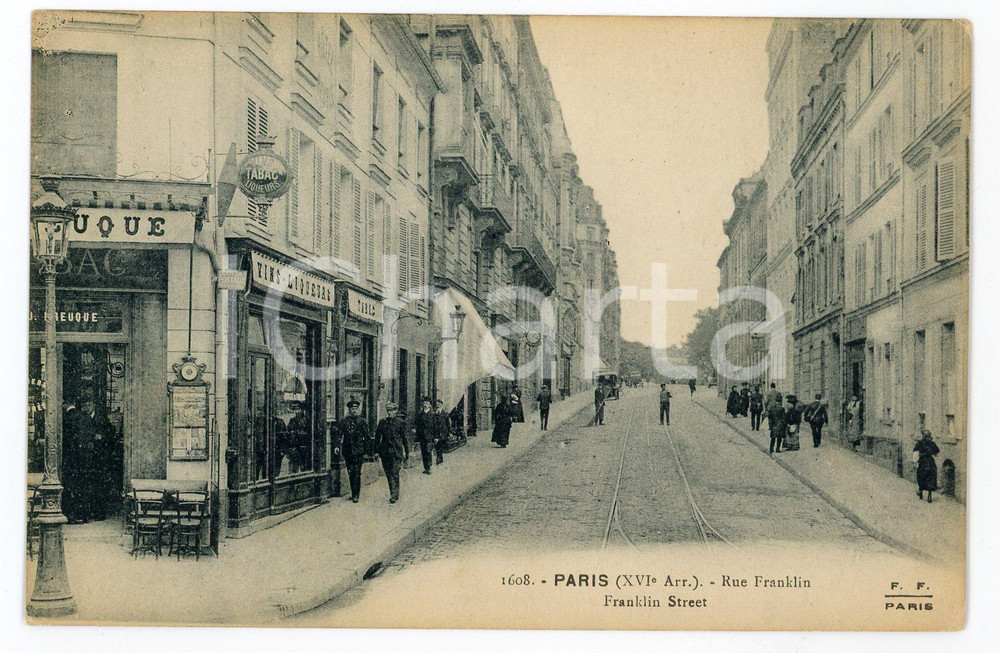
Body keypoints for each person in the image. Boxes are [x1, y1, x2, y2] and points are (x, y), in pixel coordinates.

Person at [335, 399, 369, 503]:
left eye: (355, 408)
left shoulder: (362, 421)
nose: (354, 410)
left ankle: (356, 495)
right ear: (349, 410)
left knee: (357, 472)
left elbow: (366, 437)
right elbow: (338, 434)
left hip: (358, 451)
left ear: (358, 409)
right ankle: (353, 492)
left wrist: (367, 452)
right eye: (352, 409)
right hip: (347, 451)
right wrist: (336, 446)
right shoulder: (344, 421)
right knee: (350, 472)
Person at [374, 403, 407, 503]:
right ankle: (393, 492)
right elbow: (377, 438)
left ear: (395, 411)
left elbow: (404, 438)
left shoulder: (400, 422)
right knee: (388, 473)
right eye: (388, 410)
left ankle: (394, 494)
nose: (389, 412)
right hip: (385, 452)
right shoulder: (382, 422)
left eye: (392, 410)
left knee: (394, 472)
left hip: (396, 452)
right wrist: (376, 451)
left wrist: (406, 452)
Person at [913, 429, 940, 503]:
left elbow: (915, 453)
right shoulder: (932, 443)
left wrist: (915, 462)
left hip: (922, 462)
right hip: (930, 462)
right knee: (930, 478)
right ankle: (929, 496)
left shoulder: (919, 443)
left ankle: (920, 493)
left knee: (921, 477)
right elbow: (936, 454)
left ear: (923, 436)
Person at [413, 398, 436, 474]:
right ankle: (426, 467)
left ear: (430, 405)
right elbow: (417, 424)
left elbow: (436, 426)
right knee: (423, 452)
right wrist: (415, 429)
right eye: (424, 403)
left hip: (430, 436)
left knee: (428, 451)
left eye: (427, 403)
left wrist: (436, 437)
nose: (425, 405)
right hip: (422, 436)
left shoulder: (433, 414)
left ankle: (429, 467)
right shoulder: (420, 414)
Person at [433, 398, 450, 465]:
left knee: (440, 445)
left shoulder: (445, 414)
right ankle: (439, 457)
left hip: (443, 432)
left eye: (439, 404)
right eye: (437, 404)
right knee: (437, 446)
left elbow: (448, 424)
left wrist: (449, 432)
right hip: (437, 432)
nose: (438, 405)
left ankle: (439, 457)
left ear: (441, 404)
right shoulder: (434, 413)